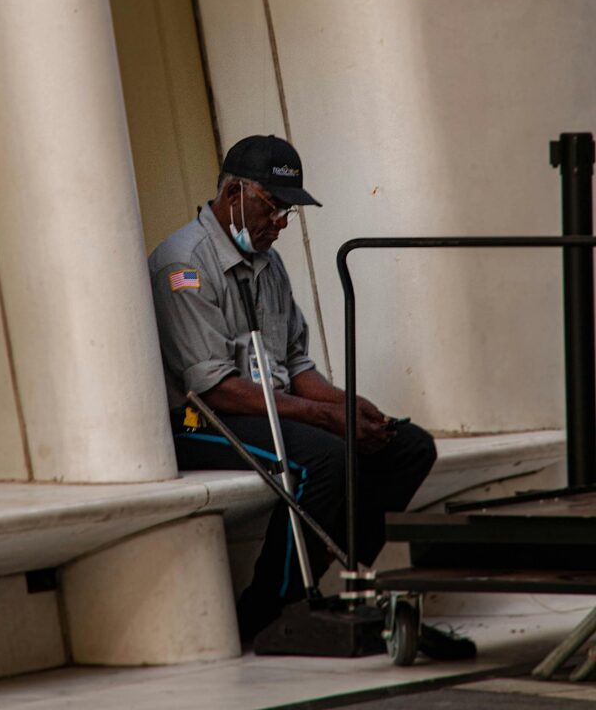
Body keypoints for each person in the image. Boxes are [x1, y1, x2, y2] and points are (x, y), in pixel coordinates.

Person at [149, 134, 475, 659]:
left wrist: (348, 406)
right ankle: (270, 607)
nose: (279, 224)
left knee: (407, 446)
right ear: (234, 193)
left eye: (287, 214)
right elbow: (213, 388)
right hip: (200, 417)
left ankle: (347, 581)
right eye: (273, 208)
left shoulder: (268, 262)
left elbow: (296, 366)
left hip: (267, 407)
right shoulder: (183, 263)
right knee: (325, 458)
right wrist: (327, 419)